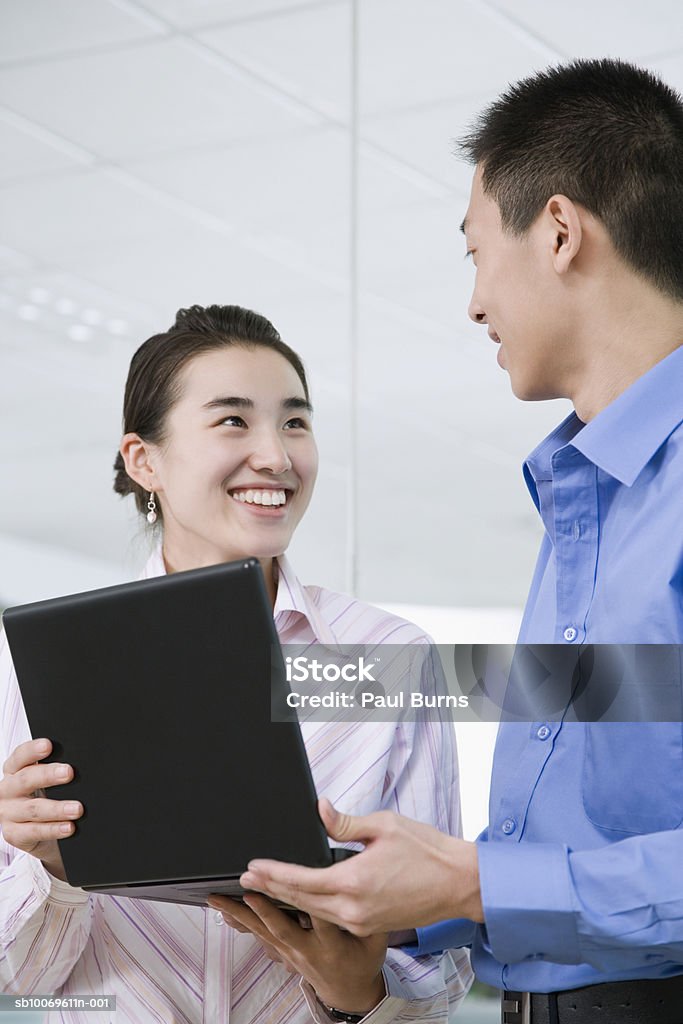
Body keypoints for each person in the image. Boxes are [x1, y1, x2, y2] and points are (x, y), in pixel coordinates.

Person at [236, 59, 683, 1024]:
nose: (473, 302)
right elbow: (586, 837)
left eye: (475, 253)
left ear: (559, 232)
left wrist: (472, 883)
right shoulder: (582, 497)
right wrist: (397, 901)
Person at [0, 304, 472, 1022]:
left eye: (294, 421)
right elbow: (21, 979)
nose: (276, 456)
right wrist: (55, 874)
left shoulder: (390, 659)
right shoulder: (40, 669)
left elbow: (442, 961)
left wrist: (359, 993)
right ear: (143, 460)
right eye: (232, 420)